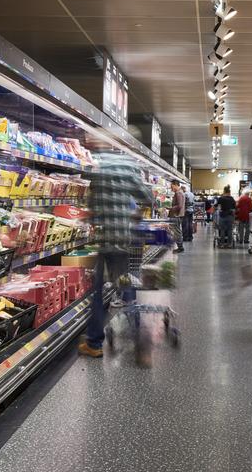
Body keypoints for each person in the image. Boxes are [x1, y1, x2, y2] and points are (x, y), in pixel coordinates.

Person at [78, 152, 153, 358]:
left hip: (106, 241)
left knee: (99, 293)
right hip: (125, 239)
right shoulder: (128, 168)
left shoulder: (99, 170)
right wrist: (135, 214)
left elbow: (92, 209)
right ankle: (139, 337)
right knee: (127, 284)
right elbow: (148, 197)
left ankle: (94, 342)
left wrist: (92, 217)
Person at [169, 179, 185, 253]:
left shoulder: (178, 193)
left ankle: (180, 247)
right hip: (177, 215)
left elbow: (179, 205)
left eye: (172, 186)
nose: (171, 188)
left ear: (176, 185)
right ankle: (180, 246)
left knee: (177, 231)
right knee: (177, 231)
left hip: (176, 215)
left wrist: (170, 208)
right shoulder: (180, 192)